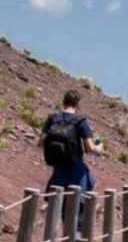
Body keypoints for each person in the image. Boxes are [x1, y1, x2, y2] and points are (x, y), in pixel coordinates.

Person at [39, 89, 103, 233]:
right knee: (79, 209)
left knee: (60, 208)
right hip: (76, 172)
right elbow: (91, 148)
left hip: (58, 171)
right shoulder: (81, 122)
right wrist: (100, 147)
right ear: (78, 104)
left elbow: (41, 142)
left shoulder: (52, 118)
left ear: (64, 101)